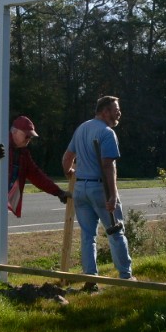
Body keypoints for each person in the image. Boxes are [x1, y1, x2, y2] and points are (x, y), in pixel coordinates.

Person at [0, 115, 71, 282]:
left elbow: (36, 175)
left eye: (31, 136)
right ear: (14, 132)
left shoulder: (23, 154)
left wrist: (58, 192)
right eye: (26, 135)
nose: (29, 139)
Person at [62, 96, 134, 290]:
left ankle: (90, 278)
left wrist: (69, 172)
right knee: (115, 231)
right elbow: (108, 165)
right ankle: (125, 276)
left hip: (80, 189)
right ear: (104, 111)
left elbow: (67, 157)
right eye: (115, 110)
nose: (119, 113)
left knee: (87, 236)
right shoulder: (107, 132)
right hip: (99, 188)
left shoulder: (81, 128)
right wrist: (113, 195)